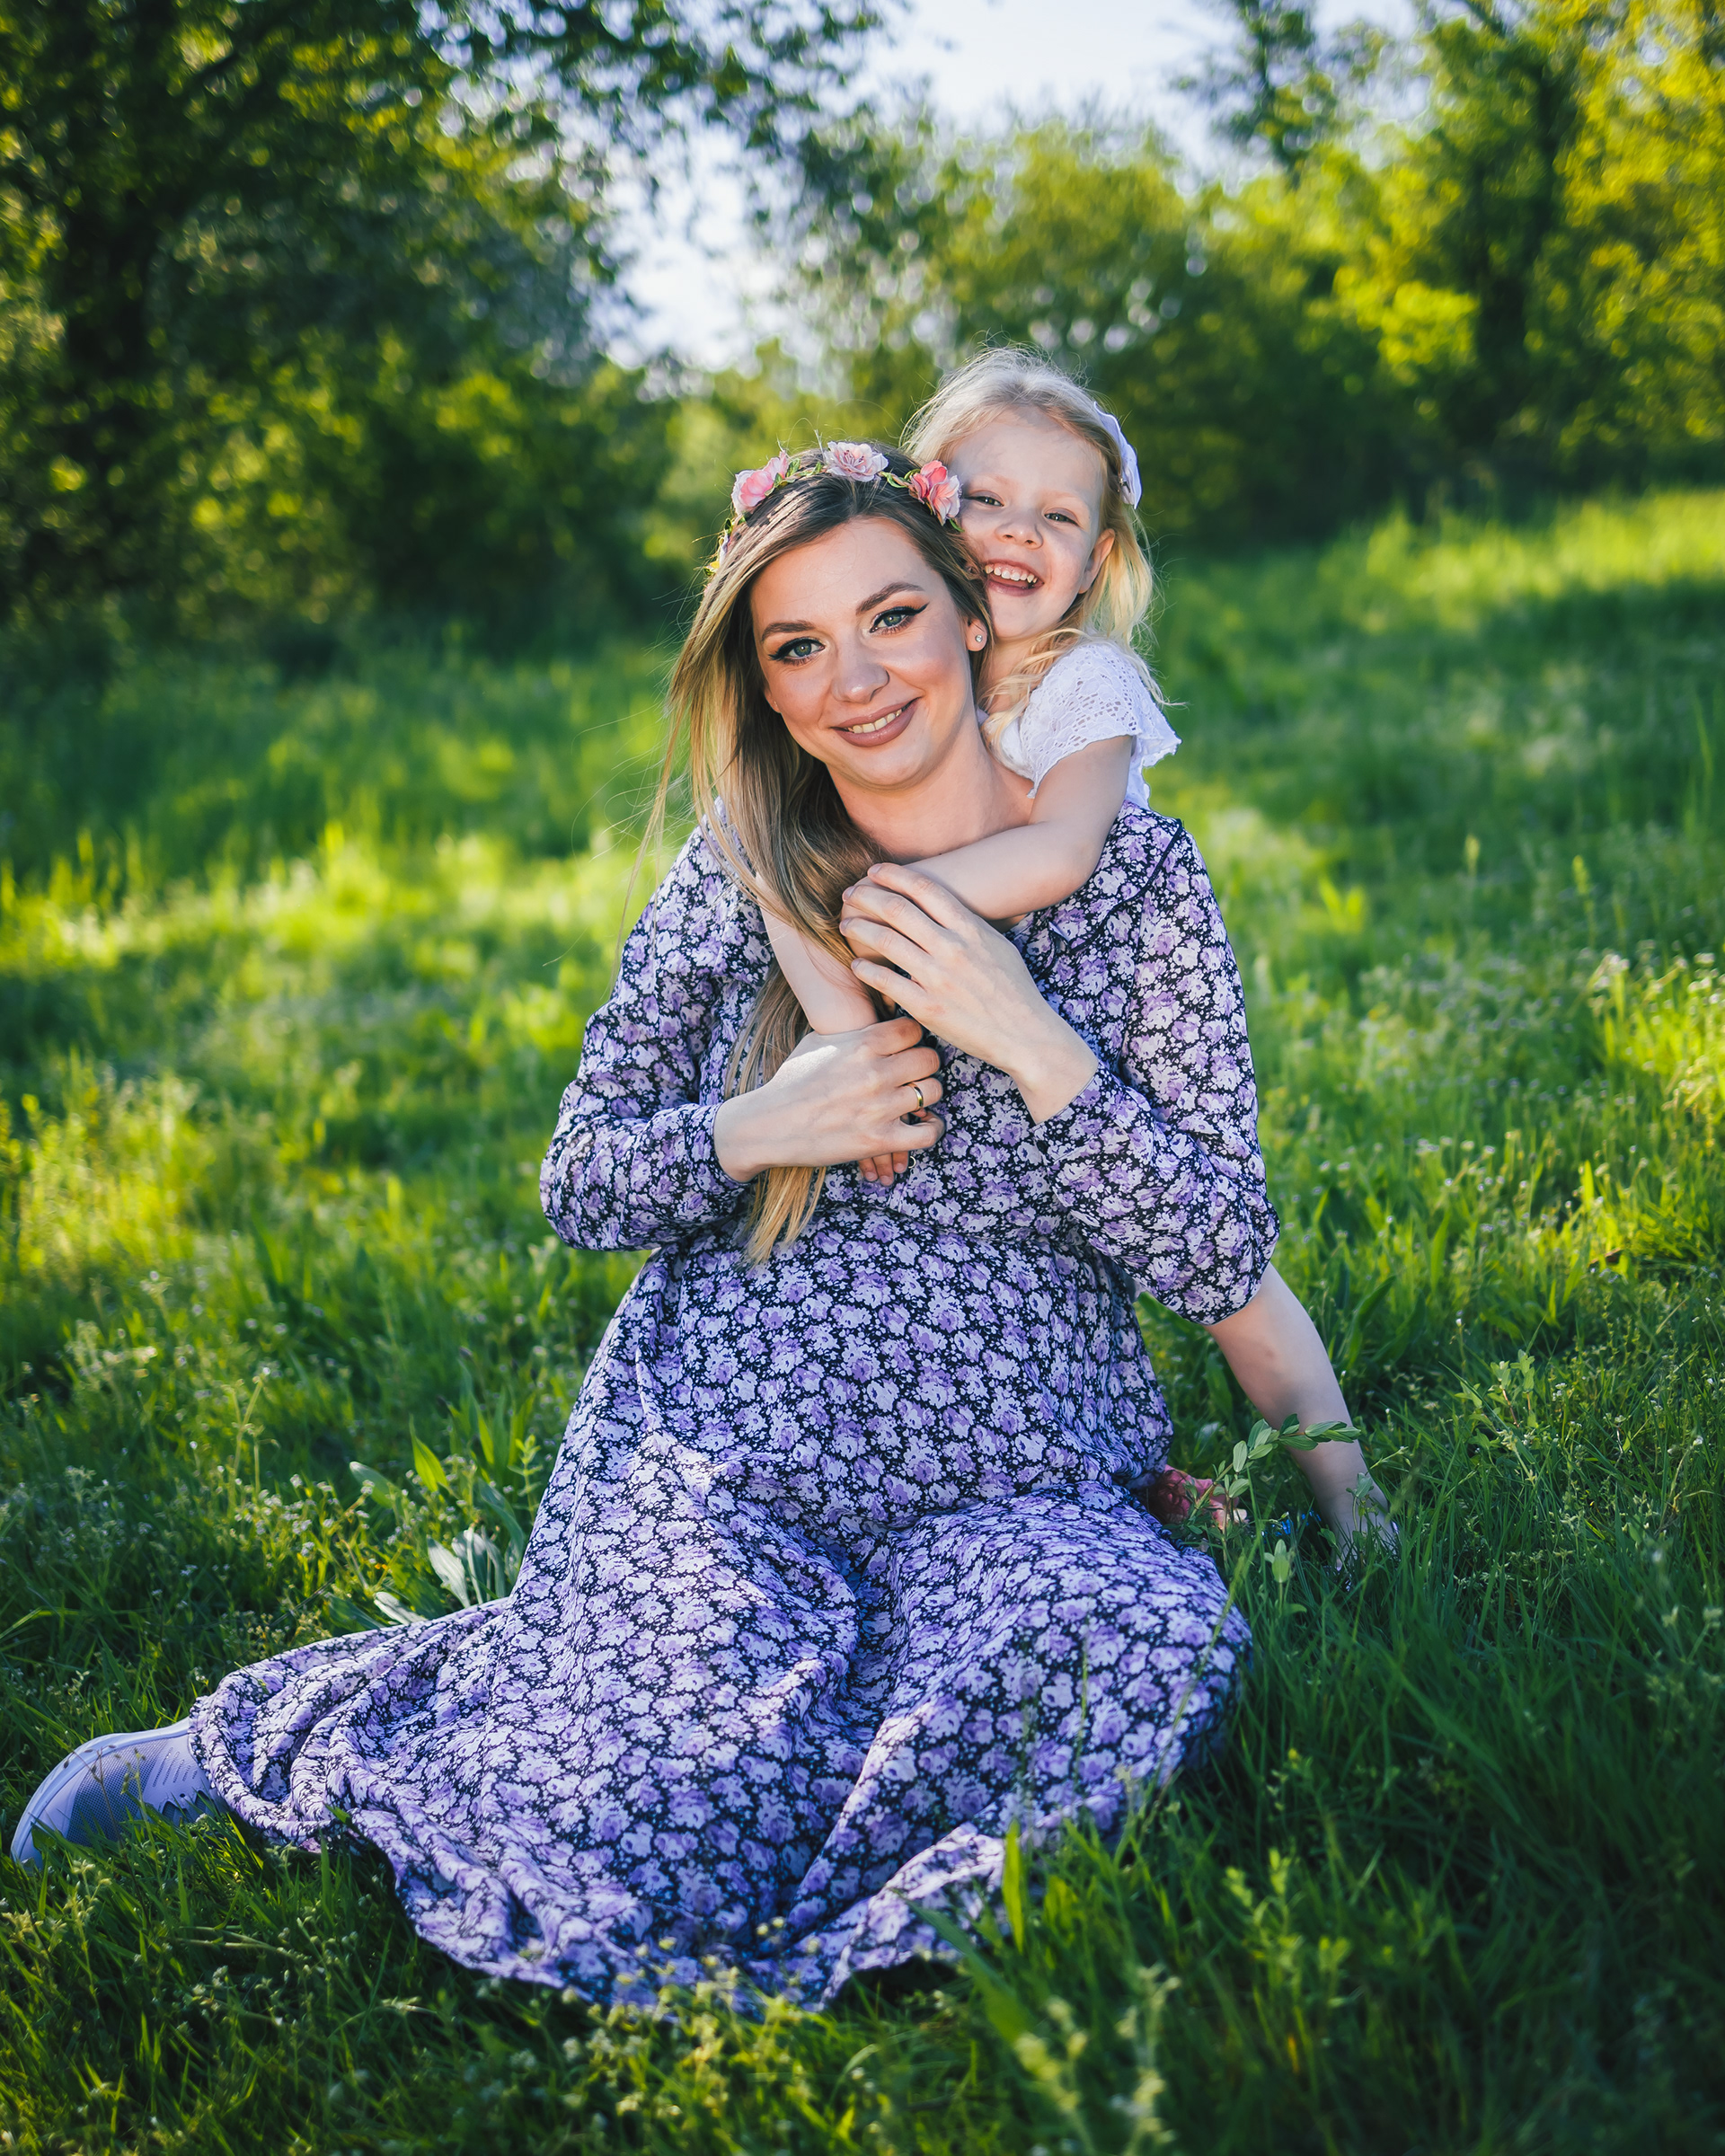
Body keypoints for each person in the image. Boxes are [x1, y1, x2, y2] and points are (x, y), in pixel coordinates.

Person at [11, 443, 1392, 2011]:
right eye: (799, 647)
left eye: (891, 619)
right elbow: (581, 1179)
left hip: (1016, 1480)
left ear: (971, 616)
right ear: (766, 689)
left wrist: (1030, 1037)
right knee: (650, 1798)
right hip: (731, 1458)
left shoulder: (1134, 877)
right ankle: (304, 1738)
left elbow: (1218, 1246)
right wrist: (762, 1126)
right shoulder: (740, 867)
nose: (855, 681)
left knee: (1132, 1643)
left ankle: (676, 1727)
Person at [761, 351, 1176, 1192]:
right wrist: (853, 1033)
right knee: (768, 855)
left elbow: (1062, 850)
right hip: (920, 984)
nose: (1021, 531)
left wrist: (874, 906)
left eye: (1058, 516)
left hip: (1067, 978)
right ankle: (856, 1047)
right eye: (988, 500)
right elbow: (767, 853)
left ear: (1094, 563)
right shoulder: (909, 670)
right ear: (933, 516)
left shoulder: (1086, 680)